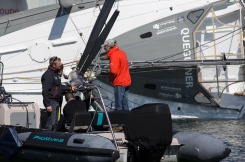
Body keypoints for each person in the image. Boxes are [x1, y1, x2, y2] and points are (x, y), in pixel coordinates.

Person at [41, 56, 76, 130]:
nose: (61, 65)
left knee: (56, 122)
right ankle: (48, 136)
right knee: (51, 122)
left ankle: (53, 135)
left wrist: (70, 88)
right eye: (59, 64)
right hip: (52, 101)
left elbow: (59, 87)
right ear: (54, 65)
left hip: (57, 101)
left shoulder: (55, 74)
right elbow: (45, 90)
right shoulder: (48, 75)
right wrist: (47, 104)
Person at [101, 39, 131, 110]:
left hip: (119, 82)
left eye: (105, 46)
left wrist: (110, 78)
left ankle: (119, 119)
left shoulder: (114, 55)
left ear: (108, 46)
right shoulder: (122, 52)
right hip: (126, 81)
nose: (104, 48)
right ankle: (127, 118)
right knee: (125, 102)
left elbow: (114, 72)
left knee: (118, 105)